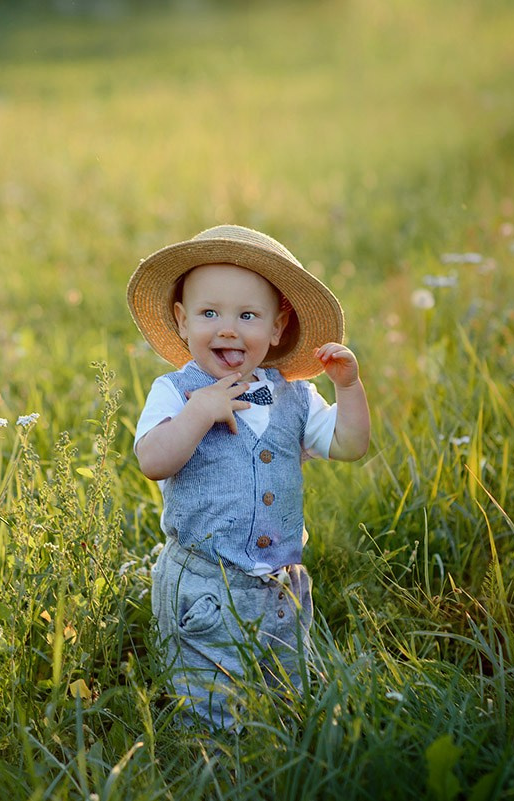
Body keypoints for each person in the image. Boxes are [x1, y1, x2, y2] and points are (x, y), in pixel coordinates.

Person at [127, 224, 370, 730]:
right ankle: (215, 769)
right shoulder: (175, 392)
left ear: (278, 328)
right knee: (210, 712)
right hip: (204, 588)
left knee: (291, 700)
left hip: (282, 588)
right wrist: (199, 413)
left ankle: (286, 753)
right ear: (181, 320)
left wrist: (348, 387)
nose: (228, 329)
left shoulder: (295, 397)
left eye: (247, 315)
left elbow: (349, 446)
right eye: (209, 313)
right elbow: (152, 460)